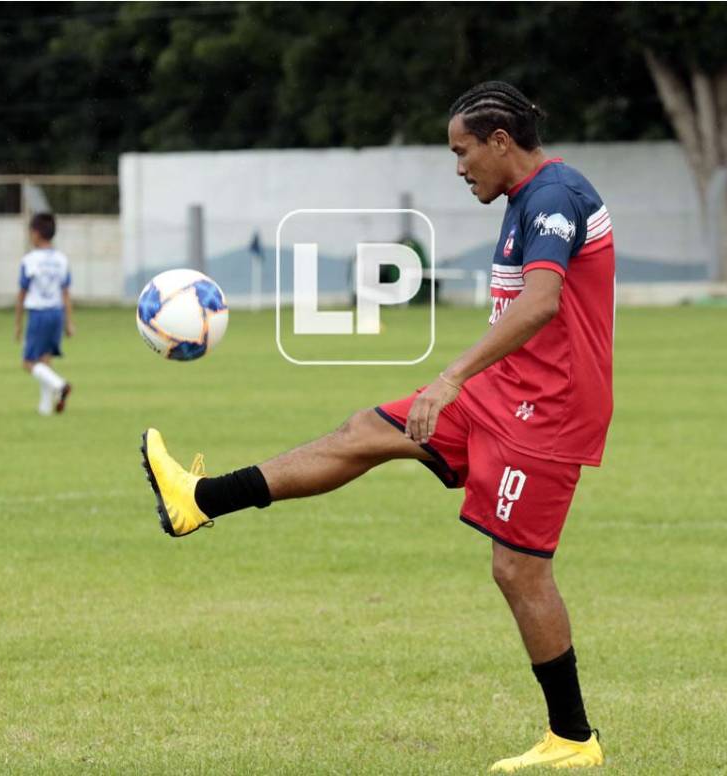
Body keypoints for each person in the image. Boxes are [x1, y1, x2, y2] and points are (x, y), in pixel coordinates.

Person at [141, 81, 614, 771]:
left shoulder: (554, 198)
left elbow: (541, 303)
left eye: (462, 153)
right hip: (503, 392)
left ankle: (573, 739)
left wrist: (450, 377)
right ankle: (197, 501)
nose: (459, 169)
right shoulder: (525, 198)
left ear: (500, 141)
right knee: (365, 431)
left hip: (547, 411)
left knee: (517, 569)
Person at [16, 212, 73, 416]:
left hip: (39, 314)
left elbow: (22, 292)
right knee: (45, 361)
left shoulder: (29, 260)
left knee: (28, 362)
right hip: (57, 313)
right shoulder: (61, 260)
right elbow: (66, 292)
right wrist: (69, 322)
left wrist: (18, 323)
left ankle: (60, 384)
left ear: (36, 233)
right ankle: (45, 408)